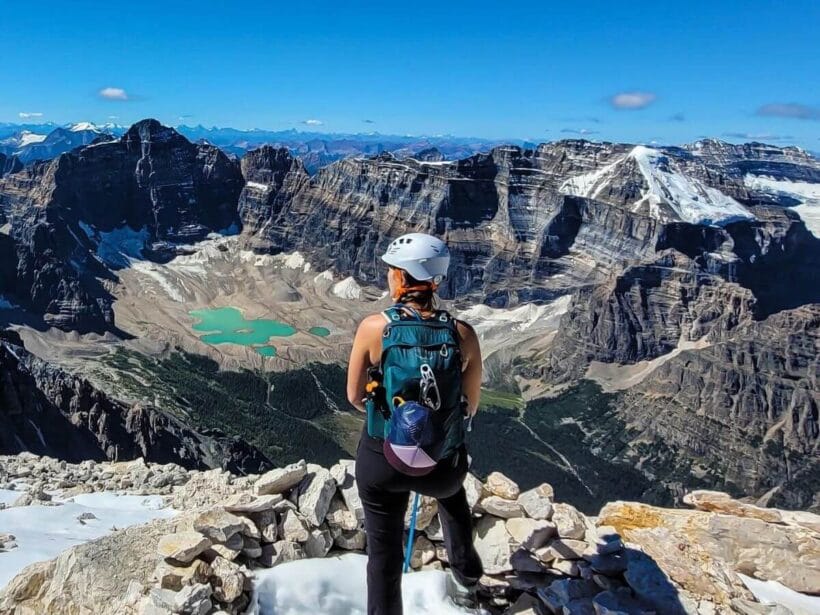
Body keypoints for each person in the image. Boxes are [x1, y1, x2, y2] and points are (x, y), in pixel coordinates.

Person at [347, 232, 484, 615]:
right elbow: (470, 405)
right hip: (441, 468)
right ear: (435, 280)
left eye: (391, 271)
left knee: (383, 552)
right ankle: (466, 579)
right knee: (452, 494)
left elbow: (355, 398)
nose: (388, 277)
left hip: (383, 463)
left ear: (402, 278)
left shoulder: (374, 328)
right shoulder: (463, 334)